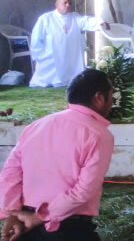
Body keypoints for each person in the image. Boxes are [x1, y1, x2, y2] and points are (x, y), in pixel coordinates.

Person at [0, 69, 114, 241]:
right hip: (66, 226)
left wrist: (13, 213)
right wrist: (40, 217)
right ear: (99, 97)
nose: (112, 102)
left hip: (25, 225)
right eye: (111, 96)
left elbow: (10, 173)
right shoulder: (99, 134)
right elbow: (84, 190)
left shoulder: (37, 125)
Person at [28, 0, 110, 88]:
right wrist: (38, 54)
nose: (68, 5)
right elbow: (36, 37)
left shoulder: (74, 17)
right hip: (51, 56)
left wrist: (100, 23)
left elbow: (86, 21)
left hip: (70, 56)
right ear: (57, 5)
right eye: (65, 3)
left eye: (69, 3)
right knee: (48, 75)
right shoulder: (46, 18)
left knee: (73, 77)